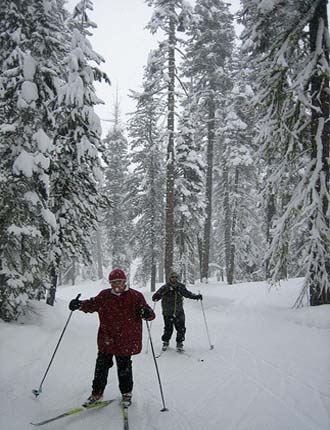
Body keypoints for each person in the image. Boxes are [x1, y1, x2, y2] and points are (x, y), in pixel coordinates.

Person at [68, 268, 155, 407]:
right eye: (113, 282)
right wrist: (79, 305)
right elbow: (91, 304)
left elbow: (150, 315)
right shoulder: (104, 296)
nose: (116, 285)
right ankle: (96, 393)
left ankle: (126, 393)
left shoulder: (135, 296)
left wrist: (147, 312)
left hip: (126, 340)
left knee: (124, 368)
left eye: (119, 282)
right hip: (107, 339)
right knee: (101, 367)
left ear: (125, 281)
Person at [152, 271, 202, 352]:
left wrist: (196, 297)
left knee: (181, 328)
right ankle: (165, 342)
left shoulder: (181, 287)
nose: (174, 279)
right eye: (172, 277)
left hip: (179, 311)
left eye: (175, 277)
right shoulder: (165, 287)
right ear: (169, 278)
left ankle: (179, 343)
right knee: (168, 328)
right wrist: (156, 297)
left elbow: (187, 294)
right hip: (167, 312)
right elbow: (156, 296)